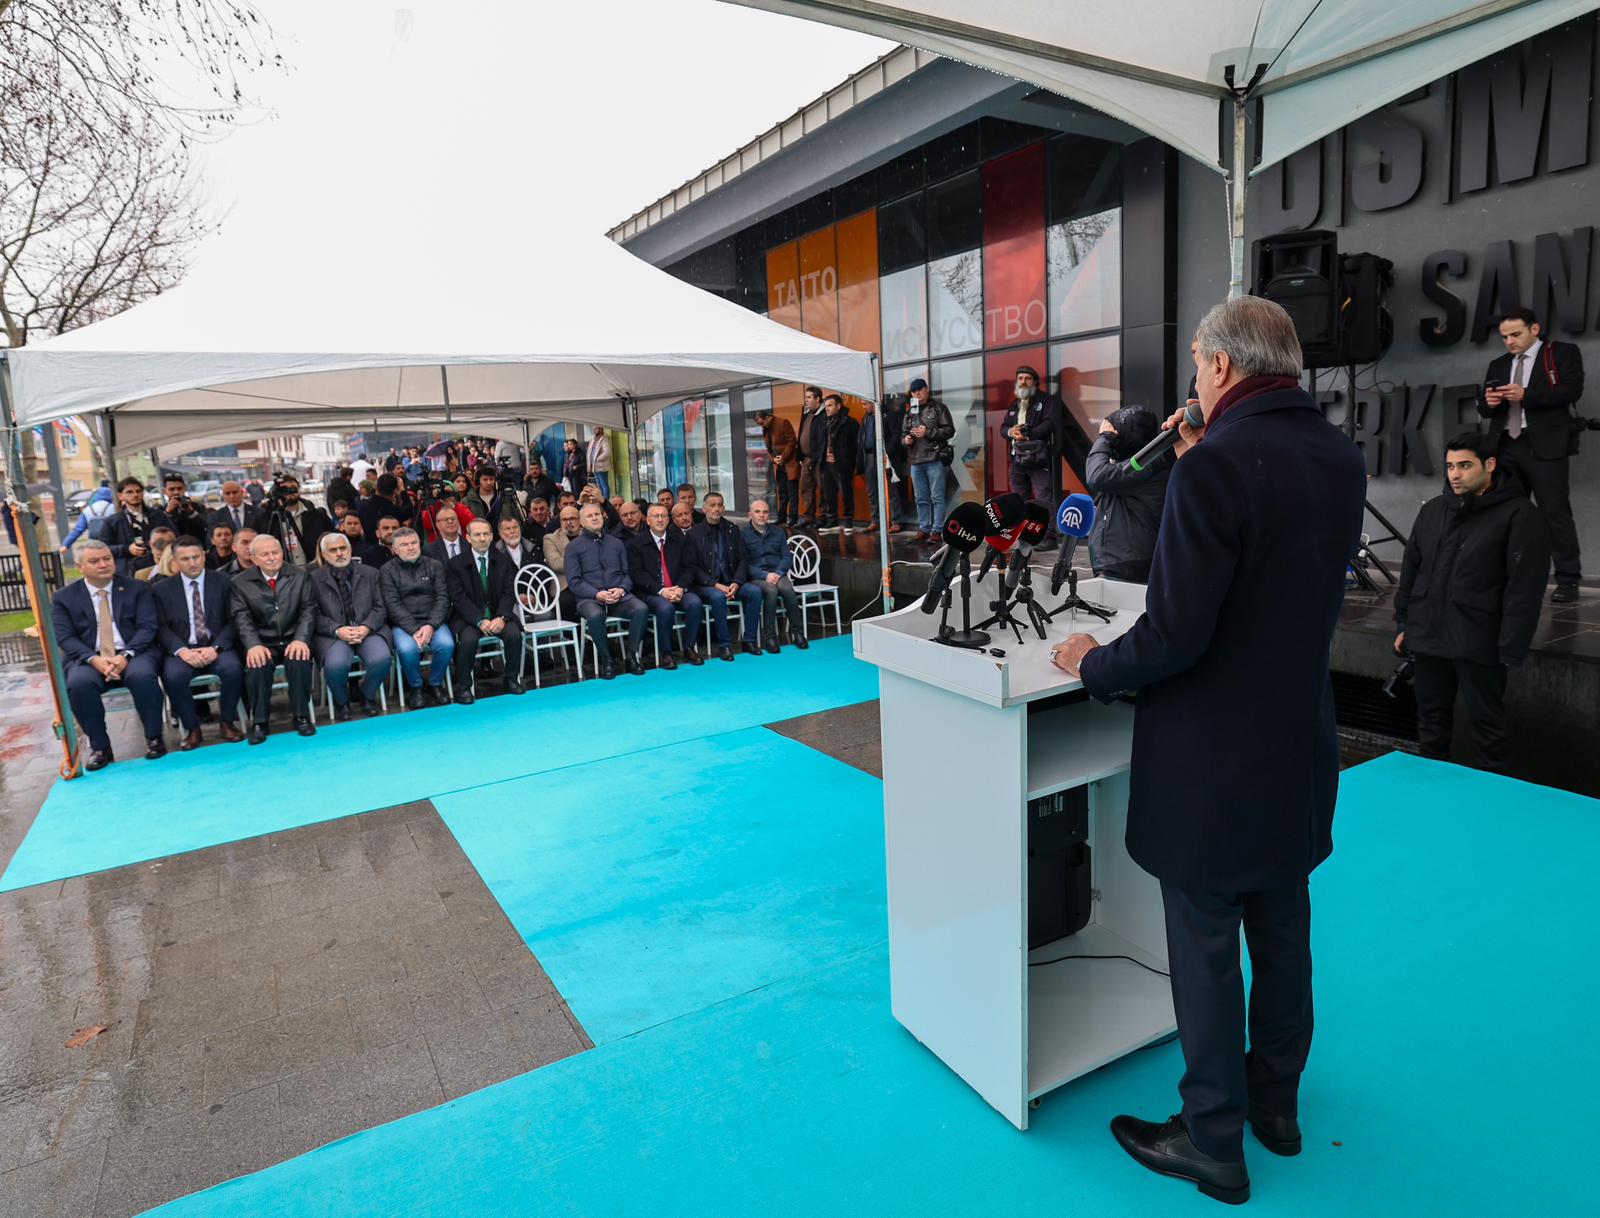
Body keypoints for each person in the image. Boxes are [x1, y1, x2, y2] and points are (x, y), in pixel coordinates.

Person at [1052, 295, 1366, 1205]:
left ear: (1223, 368)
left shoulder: (1215, 469)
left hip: (1212, 760)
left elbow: (1177, 633)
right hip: (1297, 745)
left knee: (1204, 945)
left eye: (1197, 362)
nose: (1192, 378)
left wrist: (1094, 662)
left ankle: (1212, 1137)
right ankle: (1277, 1109)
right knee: (1284, 929)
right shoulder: (1336, 458)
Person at [1394, 432, 1548, 772]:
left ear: (1490, 465)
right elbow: (1411, 570)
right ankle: (1432, 796)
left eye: (1465, 465)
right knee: (1430, 726)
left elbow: (1524, 588)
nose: (1455, 474)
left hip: (1480, 642)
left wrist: (1511, 647)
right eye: (1450, 466)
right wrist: (1404, 623)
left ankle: (1490, 808)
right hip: (1430, 637)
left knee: (1488, 732)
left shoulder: (1520, 515)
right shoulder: (1434, 510)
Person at [1477, 306, 1585, 602]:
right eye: (1504, 337)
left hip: (1545, 445)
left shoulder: (1561, 353)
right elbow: (1485, 409)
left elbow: (1572, 391)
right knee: (1504, 513)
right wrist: (1488, 401)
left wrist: (1527, 395)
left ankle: (1568, 579)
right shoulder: (1498, 364)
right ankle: (1507, 575)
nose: (1509, 341)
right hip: (1505, 445)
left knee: (1555, 513)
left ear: (1534, 329)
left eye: (1515, 334)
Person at [50, 540, 167, 769]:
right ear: (79, 566)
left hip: (134, 651)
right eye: (94, 561)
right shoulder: (64, 597)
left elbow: (147, 627)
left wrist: (125, 656)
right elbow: (65, 638)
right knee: (78, 683)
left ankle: (154, 738)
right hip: (88, 657)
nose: (103, 564)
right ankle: (100, 747)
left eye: (107, 559)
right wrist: (95, 659)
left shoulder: (137, 588)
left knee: (142, 676)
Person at [153, 539, 244, 749]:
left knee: (232, 669)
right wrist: (182, 651)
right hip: (183, 650)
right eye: (185, 559)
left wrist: (216, 647)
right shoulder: (161, 589)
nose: (192, 563)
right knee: (173, 676)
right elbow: (160, 627)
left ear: (204, 556)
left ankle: (227, 722)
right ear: (175, 561)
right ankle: (192, 728)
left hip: (216, 646)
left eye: (196, 557)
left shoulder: (224, 581)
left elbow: (235, 620)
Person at [230, 535, 317, 744]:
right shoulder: (239, 583)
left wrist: (301, 639)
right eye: (265, 554)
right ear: (254, 558)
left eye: (275, 552)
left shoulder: (299, 575)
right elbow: (242, 618)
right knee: (257, 664)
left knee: (299, 659)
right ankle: (260, 721)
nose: (271, 558)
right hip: (262, 641)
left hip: (292, 638)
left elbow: (308, 610)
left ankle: (301, 716)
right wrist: (253, 645)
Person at [1084, 406, 1173, 584]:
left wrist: (1105, 439)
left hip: (1126, 563)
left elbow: (1097, 476)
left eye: (1115, 432)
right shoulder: (1144, 461)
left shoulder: (1145, 464)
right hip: (1125, 559)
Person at [310, 532, 392, 720]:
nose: (339, 553)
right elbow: (313, 613)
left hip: (368, 630)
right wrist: (338, 630)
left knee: (381, 658)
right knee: (336, 665)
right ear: (324, 555)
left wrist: (366, 627)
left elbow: (381, 607)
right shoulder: (313, 579)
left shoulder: (370, 573)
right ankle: (341, 701)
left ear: (349, 549)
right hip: (333, 634)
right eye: (333, 550)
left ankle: (367, 695)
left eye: (343, 548)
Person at [565, 502, 648, 679]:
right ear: (581, 522)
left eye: (597, 514)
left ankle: (631, 656)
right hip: (590, 598)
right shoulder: (573, 547)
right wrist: (596, 594)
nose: (595, 518)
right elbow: (574, 581)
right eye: (590, 515)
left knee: (641, 608)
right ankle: (606, 660)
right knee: (595, 616)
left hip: (618, 595)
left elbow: (627, 573)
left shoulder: (616, 543)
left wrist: (622, 590)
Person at [447, 519, 526, 701]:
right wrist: (479, 620)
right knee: (467, 640)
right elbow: (458, 598)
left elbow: (509, 592)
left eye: (485, 534)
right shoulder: (456, 564)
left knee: (514, 634)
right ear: (468, 537)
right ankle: (464, 687)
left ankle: (511, 679)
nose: (482, 538)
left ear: (491, 537)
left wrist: (502, 617)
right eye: (477, 534)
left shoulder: (503, 560)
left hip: (499, 615)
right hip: (470, 618)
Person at [379, 527, 454, 708]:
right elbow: (392, 604)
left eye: (413, 543)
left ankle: (435, 683)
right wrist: (414, 629)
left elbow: (443, 598)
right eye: (404, 545)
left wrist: (430, 625)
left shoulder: (434, 565)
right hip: (403, 625)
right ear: (395, 550)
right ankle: (416, 687)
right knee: (407, 649)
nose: (410, 547)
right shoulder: (387, 570)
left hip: (433, 621)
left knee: (446, 645)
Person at [629, 503, 705, 669]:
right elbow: (637, 574)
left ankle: (689, 647)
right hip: (652, 592)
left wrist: (681, 587)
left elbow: (690, 567)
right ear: (647, 520)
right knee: (666, 609)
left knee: (695, 603)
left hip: (678, 589)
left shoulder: (679, 539)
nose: (660, 519)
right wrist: (661, 590)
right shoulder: (637, 543)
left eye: (664, 516)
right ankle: (666, 652)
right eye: (656, 516)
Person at [685, 492, 753, 662]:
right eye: (712, 505)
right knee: (717, 597)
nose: (716, 508)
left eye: (720, 505)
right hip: (706, 585)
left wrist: (736, 582)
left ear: (723, 508)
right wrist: (715, 585)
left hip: (731, 581)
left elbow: (743, 559)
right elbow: (692, 567)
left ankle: (749, 640)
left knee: (755, 591)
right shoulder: (694, 534)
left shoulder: (732, 529)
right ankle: (725, 645)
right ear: (704, 508)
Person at [740, 499, 807, 654]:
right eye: (757, 512)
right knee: (771, 591)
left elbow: (786, 557)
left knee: (788, 588)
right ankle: (769, 637)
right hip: (756, 576)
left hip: (777, 573)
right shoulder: (743, 534)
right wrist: (765, 575)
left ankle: (798, 633)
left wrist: (777, 573)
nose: (761, 515)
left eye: (764, 512)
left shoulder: (778, 532)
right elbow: (743, 563)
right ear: (750, 514)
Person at [1002, 365, 1061, 516]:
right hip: (1017, 460)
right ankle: (1023, 535)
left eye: (1027, 378)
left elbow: (1050, 423)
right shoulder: (1014, 404)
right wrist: (1011, 432)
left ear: (1034, 382)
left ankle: (1048, 536)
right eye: (1020, 378)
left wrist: (1028, 435)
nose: (1023, 381)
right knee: (1018, 499)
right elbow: (1003, 427)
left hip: (1038, 459)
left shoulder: (1046, 400)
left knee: (1043, 499)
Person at [902, 378, 955, 541]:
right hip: (916, 461)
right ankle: (924, 529)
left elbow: (949, 431)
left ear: (927, 389)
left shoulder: (939, 408)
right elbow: (903, 435)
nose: (917, 393)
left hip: (935, 458)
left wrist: (928, 432)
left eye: (920, 389)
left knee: (937, 497)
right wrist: (906, 441)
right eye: (914, 391)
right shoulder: (910, 412)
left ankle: (937, 530)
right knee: (921, 498)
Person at [251, 475, 333, 567]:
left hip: (313, 567)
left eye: (293, 488)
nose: (290, 492)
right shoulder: (266, 518)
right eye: (284, 489)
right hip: (280, 570)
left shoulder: (316, 515)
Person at [102, 476, 174, 576]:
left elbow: (175, 538)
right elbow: (103, 548)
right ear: (120, 496)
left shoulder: (159, 516)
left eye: (138, 491)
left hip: (158, 566)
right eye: (129, 492)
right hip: (127, 570)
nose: (135, 495)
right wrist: (127, 549)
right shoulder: (112, 521)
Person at [817, 393, 859, 534]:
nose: (827, 409)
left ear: (838, 406)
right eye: (826, 406)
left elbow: (855, 446)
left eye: (830, 405)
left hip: (842, 464)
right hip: (826, 464)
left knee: (846, 493)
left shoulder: (850, 423)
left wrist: (850, 462)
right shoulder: (824, 422)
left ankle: (848, 522)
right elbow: (820, 443)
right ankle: (832, 522)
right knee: (829, 494)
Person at [755, 408, 799, 526]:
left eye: (762, 423)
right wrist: (773, 458)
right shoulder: (766, 429)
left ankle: (793, 518)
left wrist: (782, 457)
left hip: (789, 462)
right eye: (759, 425)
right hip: (778, 464)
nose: (762, 426)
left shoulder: (782, 422)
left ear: (767, 418)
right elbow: (768, 448)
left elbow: (792, 441)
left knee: (792, 492)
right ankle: (782, 517)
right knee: (782, 493)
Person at [540, 506, 582, 621]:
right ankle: (573, 637)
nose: (568, 523)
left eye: (572, 519)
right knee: (566, 601)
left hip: (587, 583)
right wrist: (583, 561)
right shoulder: (550, 539)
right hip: (564, 587)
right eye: (564, 519)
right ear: (560, 522)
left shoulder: (587, 535)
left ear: (580, 520)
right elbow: (556, 564)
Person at [794, 385, 825, 529]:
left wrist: (816, 457)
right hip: (805, 459)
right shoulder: (807, 414)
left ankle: (822, 517)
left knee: (821, 488)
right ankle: (808, 517)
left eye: (809, 397)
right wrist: (800, 456)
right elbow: (801, 435)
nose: (806, 400)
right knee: (806, 488)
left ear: (817, 399)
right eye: (805, 397)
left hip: (818, 459)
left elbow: (822, 439)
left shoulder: (823, 416)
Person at [60, 480, 116, 552]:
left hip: (94, 544)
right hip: (112, 543)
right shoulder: (114, 508)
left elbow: (78, 530)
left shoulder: (87, 510)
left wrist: (66, 545)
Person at [357, 473, 412, 541]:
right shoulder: (392, 510)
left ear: (376, 487)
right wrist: (402, 490)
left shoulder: (362, 505)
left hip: (368, 545)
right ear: (395, 491)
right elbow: (409, 509)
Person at [160, 474, 208, 543]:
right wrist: (168, 512)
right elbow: (159, 530)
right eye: (171, 489)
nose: (176, 492)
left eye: (179, 489)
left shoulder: (198, 507)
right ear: (164, 491)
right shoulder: (160, 510)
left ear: (184, 489)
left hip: (196, 545)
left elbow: (205, 525)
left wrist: (191, 511)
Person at [587, 427, 612, 500]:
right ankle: (600, 498)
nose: (594, 430)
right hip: (594, 466)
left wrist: (598, 459)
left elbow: (607, 452)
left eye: (596, 429)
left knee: (604, 483)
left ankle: (606, 500)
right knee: (598, 483)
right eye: (593, 429)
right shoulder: (593, 439)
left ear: (601, 429)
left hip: (601, 466)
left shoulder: (604, 439)